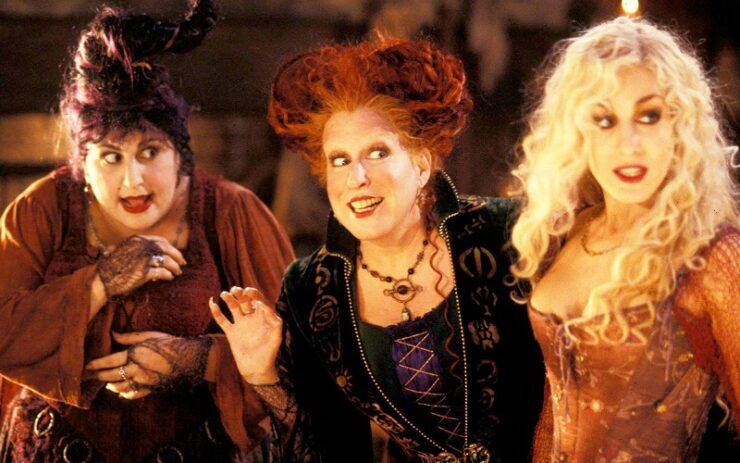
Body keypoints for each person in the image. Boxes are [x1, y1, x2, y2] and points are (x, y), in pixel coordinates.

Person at [210, 38, 546, 462]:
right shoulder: (311, 288)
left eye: (378, 152)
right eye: (340, 160)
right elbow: (325, 445)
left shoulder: (508, 232)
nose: (357, 178)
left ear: (421, 164)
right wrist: (262, 374)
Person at [0, 1, 294, 461]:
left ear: (180, 154)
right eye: (110, 156)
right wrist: (101, 280)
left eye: (150, 152)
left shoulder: (233, 212)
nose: (133, 181)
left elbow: (296, 355)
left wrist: (200, 360)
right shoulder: (42, 207)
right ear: (83, 164)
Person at [510, 17, 740, 462]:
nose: (628, 143)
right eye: (604, 120)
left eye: (649, 116)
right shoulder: (568, 233)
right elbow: (551, 419)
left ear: (680, 128)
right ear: (578, 134)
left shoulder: (713, 256)